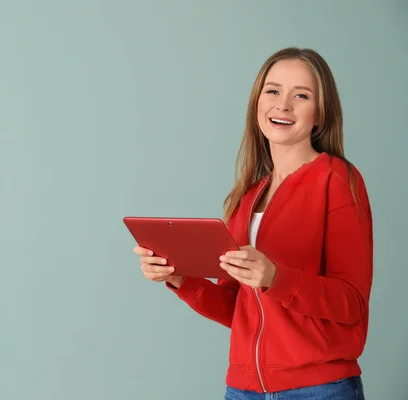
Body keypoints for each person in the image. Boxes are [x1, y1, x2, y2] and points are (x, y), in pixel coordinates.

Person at [133, 47, 372, 399]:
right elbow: (236, 307)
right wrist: (179, 278)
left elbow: (351, 304)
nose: (283, 105)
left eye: (301, 95)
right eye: (273, 91)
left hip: (319, 388)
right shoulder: (247, 197)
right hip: (244, 390)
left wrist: (275, 278)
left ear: (320, 113)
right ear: (257, 102)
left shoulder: (337, 180)